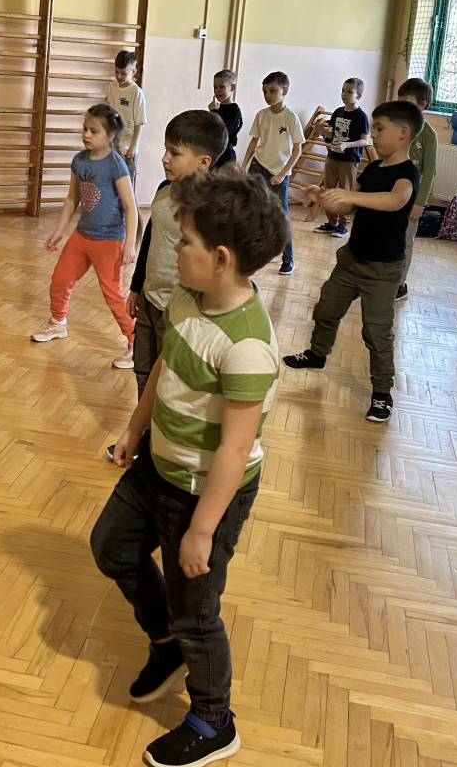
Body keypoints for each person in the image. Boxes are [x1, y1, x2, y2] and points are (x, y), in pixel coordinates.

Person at [91, 166, 288, 767]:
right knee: (111, 547)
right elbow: (164, 367)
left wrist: (202, 530)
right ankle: (166, 642)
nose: (174, 247)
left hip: (205, 494)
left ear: (221, 258)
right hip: (158, 464)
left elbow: (234, 449)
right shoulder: (185, 297)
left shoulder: (248, 347)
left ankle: (213, 721)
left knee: (197, 612)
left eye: (186, 240)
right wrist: (134, 429)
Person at [283, 100, 423, 423]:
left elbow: (395, 200)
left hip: (382, 269)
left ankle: (382, 393)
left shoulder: (407, 174)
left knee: (376, 332)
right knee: (326, 308)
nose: (373, 134)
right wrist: (325, 196)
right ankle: (317, 354)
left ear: (403, 133)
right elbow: (348, 208)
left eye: (379, 128)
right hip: (351, 259)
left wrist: (350, 195)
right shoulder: (372, 170)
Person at [106, 110, 228, 459]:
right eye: (165, 149)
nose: (164, 158)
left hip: (181, 307)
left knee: (172, 380)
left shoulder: (209, 207)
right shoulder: (164, 189)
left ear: (203, 162)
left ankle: (166, 445)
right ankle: (143, 437)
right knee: (144, 370)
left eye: (174, 153)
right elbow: (151, 240)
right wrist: (137, 286)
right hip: (150, 299)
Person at [31, 104, 139, 367]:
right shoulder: (79, 160)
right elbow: (72, 199)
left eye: (94, 131)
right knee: (60, 279)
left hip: (110, 240)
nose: (87, 135)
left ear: (111, 135)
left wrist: (129, 245)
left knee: (113, 295)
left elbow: (130, 207)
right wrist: (59, 231)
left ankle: (136, 342)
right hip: (82, 236)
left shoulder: (116, 165)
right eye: (85, 129)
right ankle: (57, 322)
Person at [241, 71, 303, 275]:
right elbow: (254, 142)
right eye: (265, 91)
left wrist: (283, 174)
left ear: (284, 91)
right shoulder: (262, 115)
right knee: (252, 210)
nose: (267, 95)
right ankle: (251, 254)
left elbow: (297, 149)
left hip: (278, 172)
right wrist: (244, 165)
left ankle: (288, 259)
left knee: (281, 215)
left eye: (272, 91)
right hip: (258, 166)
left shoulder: (291, 117)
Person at [396, 77, 438, 302]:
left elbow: (429, 170)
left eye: (408, 102)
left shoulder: (429, 134)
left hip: (411, 199)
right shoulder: (397, 127)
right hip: (390, 194)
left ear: (422, 105)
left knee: (405, 241)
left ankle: (399, 284)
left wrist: (420, 202)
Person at [314, 78, 370, 239]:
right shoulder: (338, 112)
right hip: (332, 156)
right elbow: (332, 134)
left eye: (349, 91)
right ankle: (331, 222)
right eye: (343, 90)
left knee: (345, 191)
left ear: (358, 95)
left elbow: (364, 140)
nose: (344, 94)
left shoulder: (361, 116)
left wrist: (347, 145)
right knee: (329, 189)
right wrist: (322, 131)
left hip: (349, 160)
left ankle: (344, 225)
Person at [106, 49, 147, 190]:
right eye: (116, 72)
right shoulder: (112, 87)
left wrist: (133, 146)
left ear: (133, 72)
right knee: (111, 181)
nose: (119, 76)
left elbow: (139, 122)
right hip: (113, 143)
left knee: (126, 184)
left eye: (123, 73)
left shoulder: (136, 93)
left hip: (128, 147)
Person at [207, 69, 242, 169]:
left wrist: (213, 111)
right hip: (215, 154)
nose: (217, 90)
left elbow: (222, 131)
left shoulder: (234, 111)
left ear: (232, 87)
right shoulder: (217, 107)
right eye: (215, 87)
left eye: (222, 87)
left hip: (226, 157)